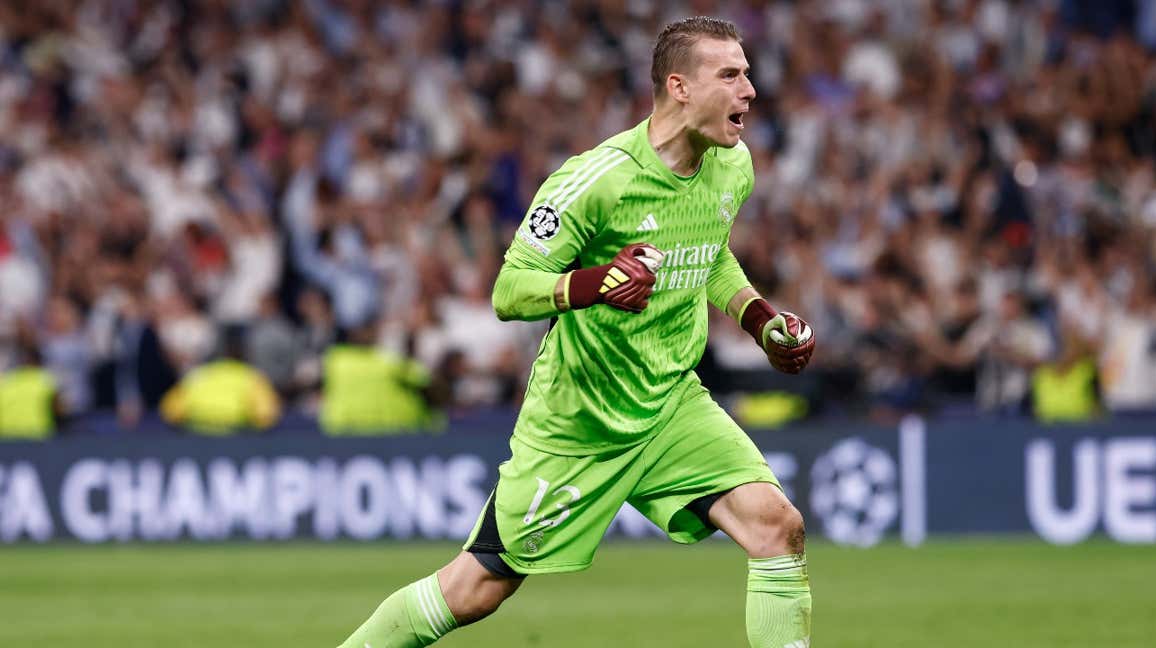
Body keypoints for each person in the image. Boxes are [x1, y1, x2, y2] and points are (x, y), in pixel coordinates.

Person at [336, 17, 817, 648]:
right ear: (679, 87)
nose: (750, 90)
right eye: (730, 75)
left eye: (747, 73)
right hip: (580, 421)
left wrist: (759, 320)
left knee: (776, 526)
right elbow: (510, 290)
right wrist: (595, 284)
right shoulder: (598, 178)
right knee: (475, 590)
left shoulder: (732, 166)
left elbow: (710, 249)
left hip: (671, 405)